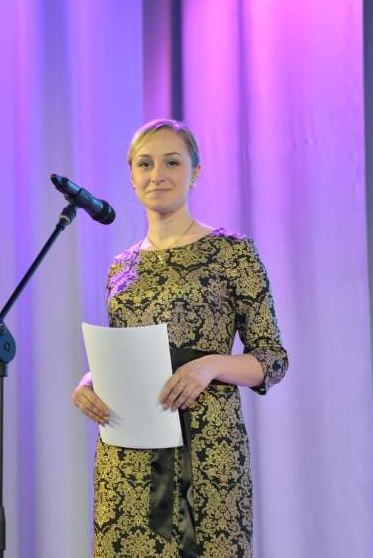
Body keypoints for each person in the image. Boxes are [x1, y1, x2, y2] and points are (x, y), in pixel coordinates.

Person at [71, 119, 288, 557]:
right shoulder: (120, 267)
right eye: (145, 164)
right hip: (128, 452)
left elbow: (273, 358)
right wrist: (91, 380)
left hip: (207, 451)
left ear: (195, 172)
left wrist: (210, 365)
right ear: (131, 176)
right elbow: (127, 356)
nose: (158, 175)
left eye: (172, 162)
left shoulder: (232, 252)